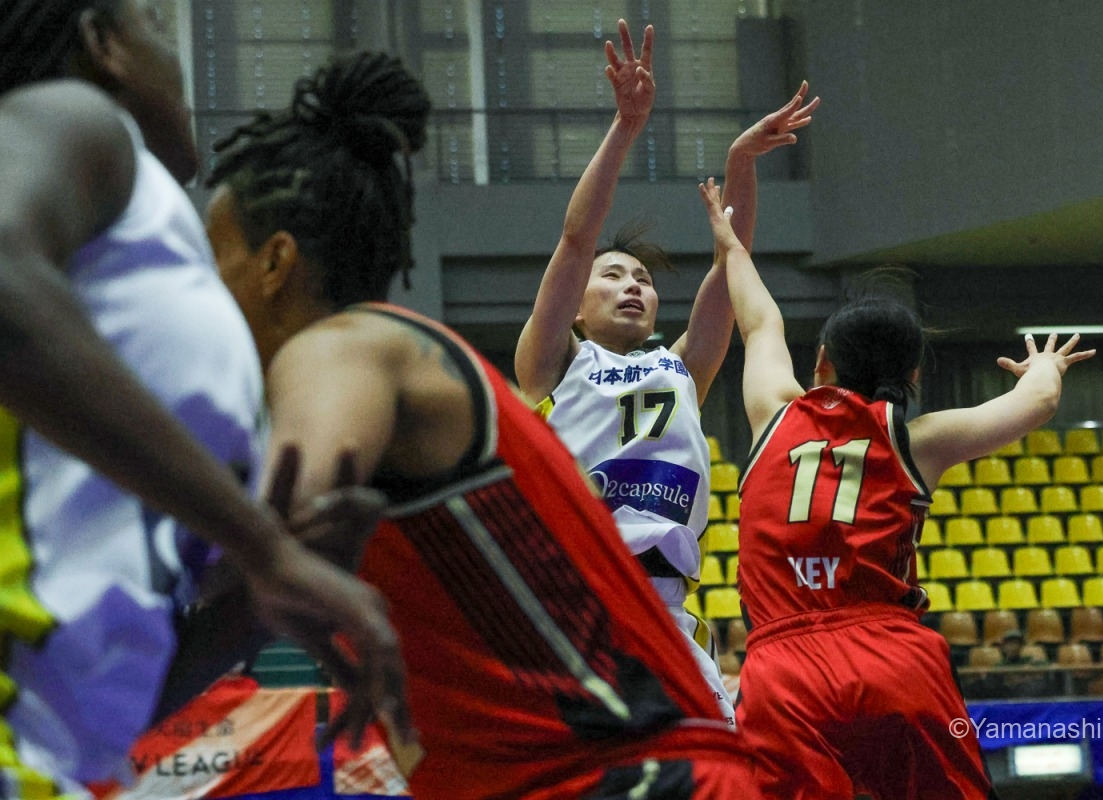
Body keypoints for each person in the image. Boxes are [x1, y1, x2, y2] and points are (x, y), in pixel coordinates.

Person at [202, 48, 758, 798]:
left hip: (623, 740)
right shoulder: (550, 361)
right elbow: (265, 567)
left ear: (275, 261)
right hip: (595, 707)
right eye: (613, 274)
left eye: (211, 256)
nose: (199, 281)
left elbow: (281, 525)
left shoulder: (351, 353)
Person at [0, 2, 404, 793]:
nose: (180, 59)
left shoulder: (142, 245)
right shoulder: (76, 116)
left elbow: (122, 703)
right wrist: (262, 544)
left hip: (53, 760)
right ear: (105, 44)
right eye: (156, 23)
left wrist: (259, 599)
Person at [697, 179, 1095, 799]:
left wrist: (730, 245)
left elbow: (759, 322)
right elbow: (1038, 401)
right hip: (893, 658)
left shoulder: (772, 411)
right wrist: (1045, 364)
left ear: (821, 361)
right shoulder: (917, 439)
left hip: (784, 667)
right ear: (911, 373)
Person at [514, 17, 819, 728]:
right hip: (578, 603)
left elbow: (731, 264)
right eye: (614, 276)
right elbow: (576, 238)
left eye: (644, 280)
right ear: (577, 305)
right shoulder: (555, 361)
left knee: (714, 766)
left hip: (666, 608)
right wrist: (627, 127)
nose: (632, 286)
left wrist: (742, 161)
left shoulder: (680, 367)